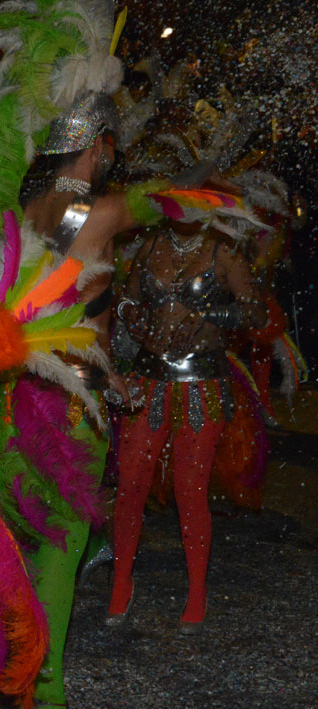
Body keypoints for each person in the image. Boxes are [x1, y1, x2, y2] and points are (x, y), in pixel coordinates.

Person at [109, 222, 264, 632]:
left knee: (189, 492)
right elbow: (125, 299)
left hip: (202, 384)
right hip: (147, 379)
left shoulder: (224, 250)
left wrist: (209, 316)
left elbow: (256, 311)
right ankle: (120, 583)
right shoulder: (151, 244)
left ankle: (197, 593)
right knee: (130, 485)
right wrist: (134, 318)